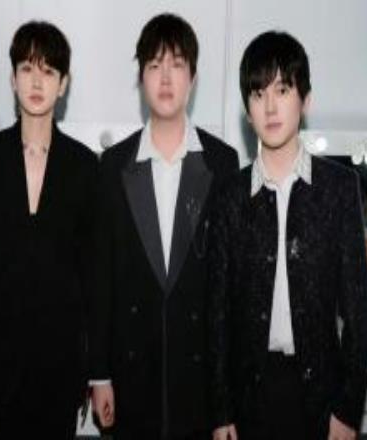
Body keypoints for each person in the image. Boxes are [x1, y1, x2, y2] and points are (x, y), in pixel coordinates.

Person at [208, 31, 367, 440]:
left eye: (282, 90)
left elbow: (358, 311)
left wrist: (348, 411)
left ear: (305, 99)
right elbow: (217, 314)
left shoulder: (338, 189)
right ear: (247, 110)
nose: (270, 106)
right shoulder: (229, 196)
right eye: (258, 93)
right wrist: (221, 410)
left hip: (320, 400)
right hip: (249, 401)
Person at [89, 12, 238, 440]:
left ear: (193, 77)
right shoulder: (114, 165)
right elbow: (101, 277)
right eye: (154, 65)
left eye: (177, 64)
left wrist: (227, 397)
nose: (166, 78)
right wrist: (99, 374)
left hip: (200, 380)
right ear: (141, 79)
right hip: (132, 373)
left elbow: (230, 288)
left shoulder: (222, 163)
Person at [0, 21, 97, 439]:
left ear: (64, 84)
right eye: (27, 68)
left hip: (61, 367)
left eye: (49, 71)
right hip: (0, 366)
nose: (37, 82)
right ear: (12, 78)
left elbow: (88, 273)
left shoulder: (85, 167)